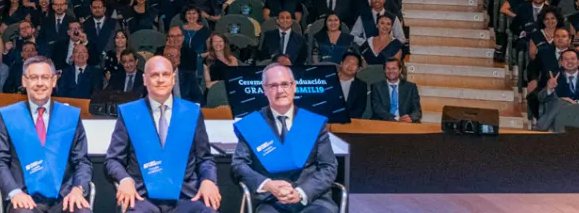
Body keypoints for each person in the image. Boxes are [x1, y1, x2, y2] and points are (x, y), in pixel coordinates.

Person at [105, 56, 224, 213]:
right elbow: (113, 160)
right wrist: (125, 180)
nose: (160, 80)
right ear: (144, 79)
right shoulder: (130, 113)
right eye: (154, 75)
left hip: (186, 196)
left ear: (173, 79)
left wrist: (208, 180)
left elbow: (205, 159)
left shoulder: (191, 113)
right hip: (142, 197)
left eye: (166, 74)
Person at [230, 64, 339, 213]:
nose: (280, 90)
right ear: (264, 90)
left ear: (294, 86)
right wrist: (267, 184)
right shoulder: (252, 125)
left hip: (312, 199)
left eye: (284, 84)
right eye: (273, 85)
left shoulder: (313, 123)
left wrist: (302, 192)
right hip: (271, 201)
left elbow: (329, 167)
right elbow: (239, 165)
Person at [0, 56, 92, 213]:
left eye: (45, 77)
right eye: (33, 78)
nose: (39, 83)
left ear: (54, 81)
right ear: (24, 81)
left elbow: (82, 162)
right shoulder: (9, 117)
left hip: (65, 197)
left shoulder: (70, 116)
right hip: (25, 198)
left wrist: (78, 189)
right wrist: (15, 192)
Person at [365, 58, 422, 123]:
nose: (390, 71)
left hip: (405, 123)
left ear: (400, 70)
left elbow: (417, 110)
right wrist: (396, 118)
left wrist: (410, 118)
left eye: (394, 68)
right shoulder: (376, 86)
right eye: (388, 68)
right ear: (384, 70)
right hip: (383, 121)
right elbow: (377, 108)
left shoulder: (411, 87)